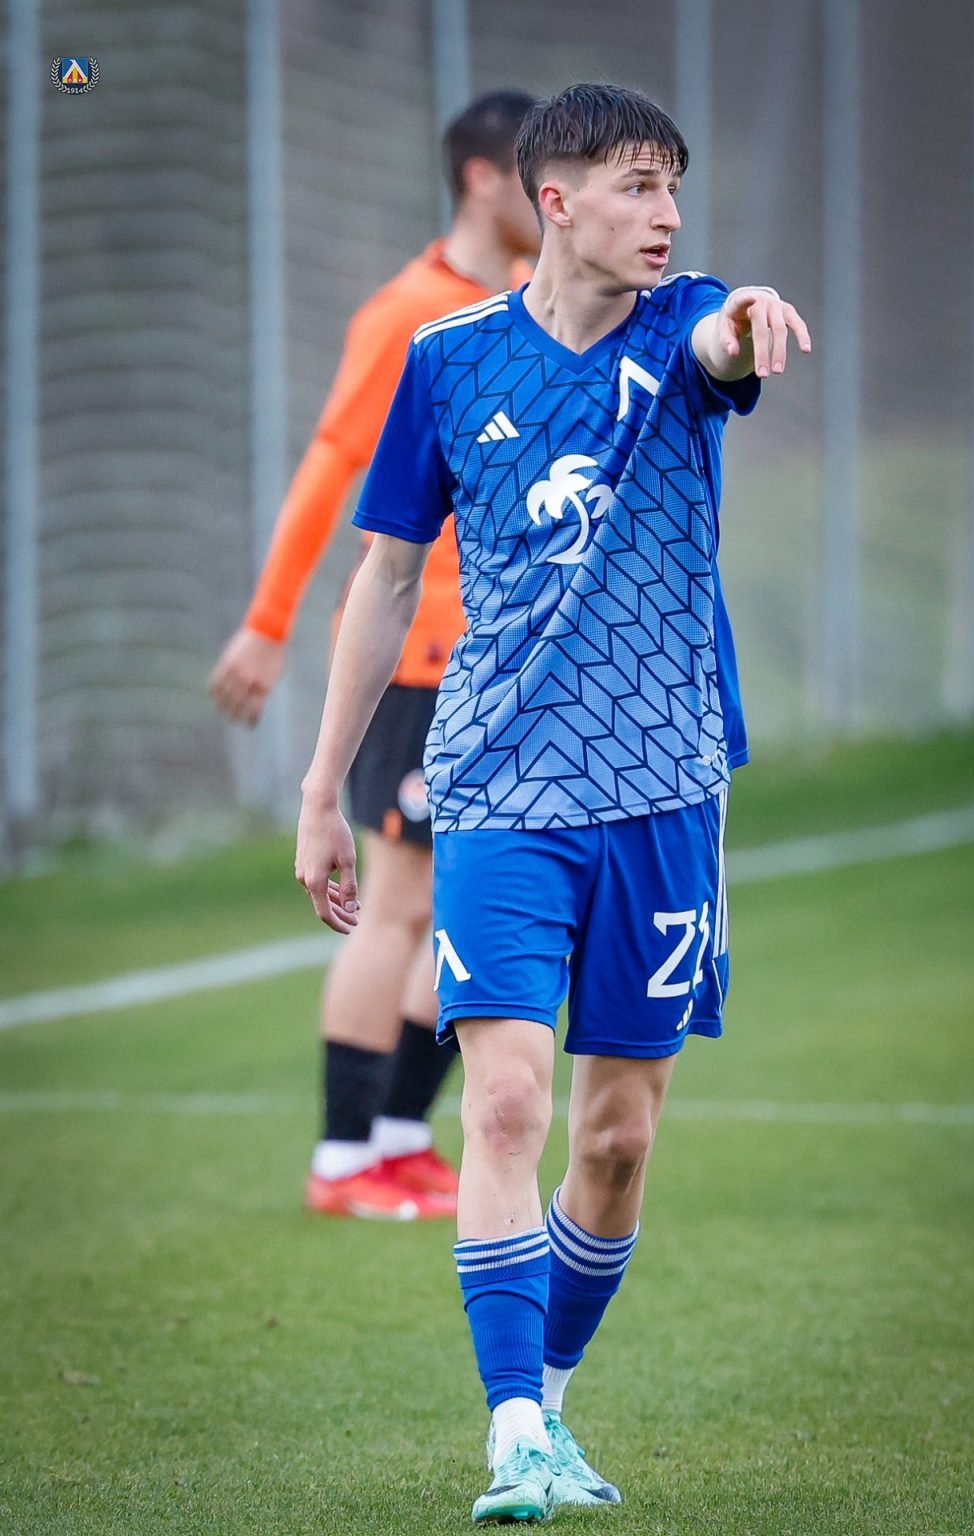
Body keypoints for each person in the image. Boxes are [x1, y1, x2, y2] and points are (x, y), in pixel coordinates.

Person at [295, 82, 811, 1523]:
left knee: (615, 1139)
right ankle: (512, 1429)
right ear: (554, 200)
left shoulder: (680, 324)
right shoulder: (445, 360)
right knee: (507, 1100)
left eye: (673, 187)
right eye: (636, 186)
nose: (665, 215)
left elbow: (722, 339)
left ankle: (556, 1399)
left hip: (661, 795)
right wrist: (322, 786)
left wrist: (748, 313)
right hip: (497, 788)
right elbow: (385, 575)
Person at [209, 91, 540, 1220]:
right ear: (483, 181)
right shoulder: (407, 312)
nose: (556, 197)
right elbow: (328, 464)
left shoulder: (527, 308)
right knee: (400, 904)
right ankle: (344, 1156)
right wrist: (268, 622)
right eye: (536, 175)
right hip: (418, 663)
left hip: (495, 662)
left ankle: (398, 1136)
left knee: (464, 911)